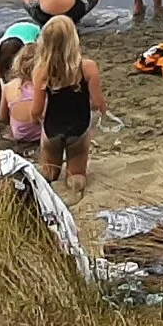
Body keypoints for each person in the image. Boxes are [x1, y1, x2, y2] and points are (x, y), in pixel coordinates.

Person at [31, 18, 105, 194]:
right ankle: (74, 190)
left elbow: (36, 110)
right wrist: (101, 109)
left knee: (49, 170)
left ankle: (49, 185)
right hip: (78, 128)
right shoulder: (87, 68)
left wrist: (36, 119)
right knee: (77, 172)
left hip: (52, 128)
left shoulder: (41, 71)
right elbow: (97, 102)